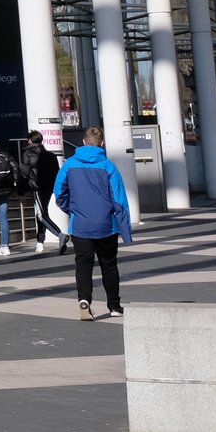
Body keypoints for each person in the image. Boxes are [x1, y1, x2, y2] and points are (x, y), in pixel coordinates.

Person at [52, 125, 132, 320]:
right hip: (107, 225)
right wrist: (125, 230)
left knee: (83, 265)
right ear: (102, 144)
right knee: (109, 266)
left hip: (80, 226)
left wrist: (70, 209)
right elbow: (119, 200)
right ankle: (114, 305)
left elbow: (59, 192)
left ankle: (84, 301)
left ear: (83, 142)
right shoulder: (108, 166)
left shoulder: (69, 165)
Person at [23, 130, 65, 254]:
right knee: (41, 213)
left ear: (30, 141)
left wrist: (21, 190)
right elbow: (56, 173)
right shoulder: (51, 155)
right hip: (48, 188)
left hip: (36, 188)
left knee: (41, 215)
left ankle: (60, 234)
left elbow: (24, 173)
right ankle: (40, 241)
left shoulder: (27, 153)